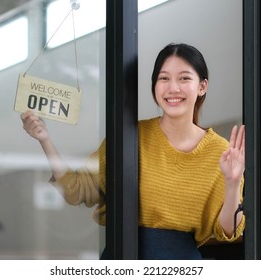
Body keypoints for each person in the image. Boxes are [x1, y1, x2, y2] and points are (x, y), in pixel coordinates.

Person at [21, 43, 245, 260]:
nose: (173, 88)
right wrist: (45, 140)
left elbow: (228, 231)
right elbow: (77, 190)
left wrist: (233, 181)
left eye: (184, 78)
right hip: (121, 260)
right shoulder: (129, 137)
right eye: (164, 78)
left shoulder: (221, 152)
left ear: (202, 86)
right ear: (154, 86)